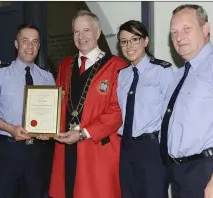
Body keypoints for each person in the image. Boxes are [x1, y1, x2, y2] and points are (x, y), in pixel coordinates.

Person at [49, 10, 127, 198]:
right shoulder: (65, 65)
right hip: (66, 146)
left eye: (86, 30)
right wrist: (45, 127)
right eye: (76, 32)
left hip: (98, 149)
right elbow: (56, 104)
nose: (81, 37)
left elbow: (117, 111)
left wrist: (84, 133)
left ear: (98, 33)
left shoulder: (116, 66)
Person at [0, 24, 55, 198]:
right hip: (8, 152)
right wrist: (10, 129)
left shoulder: (47, 77)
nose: (30, 46)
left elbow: (52, 114)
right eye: (25, 41)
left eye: (35, 42)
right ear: (16, 44)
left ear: (39, 46)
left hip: (38, 152)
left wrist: (49, 132)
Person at [160, 4, 213, 198]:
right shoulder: (180, 74)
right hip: (178, 173)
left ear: (205, 28)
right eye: (174, 32)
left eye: (186, 29)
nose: (179, 38)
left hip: (206, 171)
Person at [116, 20, 174, 198]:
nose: (129, 46)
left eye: (134, 39)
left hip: (152, 149)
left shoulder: (162, 71)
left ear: (146, 41)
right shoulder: (122, 75)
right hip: (126, 148)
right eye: (124, 41)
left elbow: (171, 115)